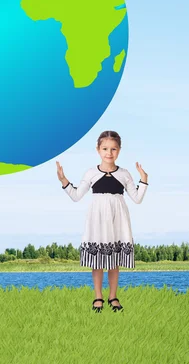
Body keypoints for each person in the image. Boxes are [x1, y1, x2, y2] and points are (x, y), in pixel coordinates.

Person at [56, 130, 148, 313]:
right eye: (105, 148)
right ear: (98, 149)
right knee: (97, 262)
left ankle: (113, 296)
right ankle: (98, 296)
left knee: (114, 261)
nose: (109, 152)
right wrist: (64, 180)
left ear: (119, 150)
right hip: (97, 219)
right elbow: (76, 196)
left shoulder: (124, 174)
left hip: (118, 219)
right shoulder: (91, 173)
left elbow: (137, 198)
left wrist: (143, 181)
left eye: (113, 149)